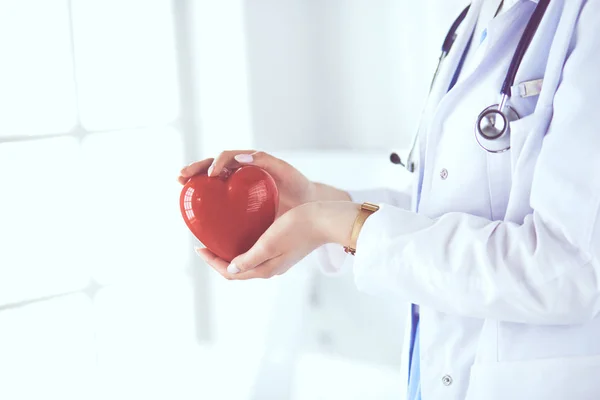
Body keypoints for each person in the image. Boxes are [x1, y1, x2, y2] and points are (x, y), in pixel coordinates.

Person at [177, 0, 600, 399]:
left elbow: (569, 270)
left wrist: (342, 225)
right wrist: (315, 203)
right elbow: (447, 209)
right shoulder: (480, 17)